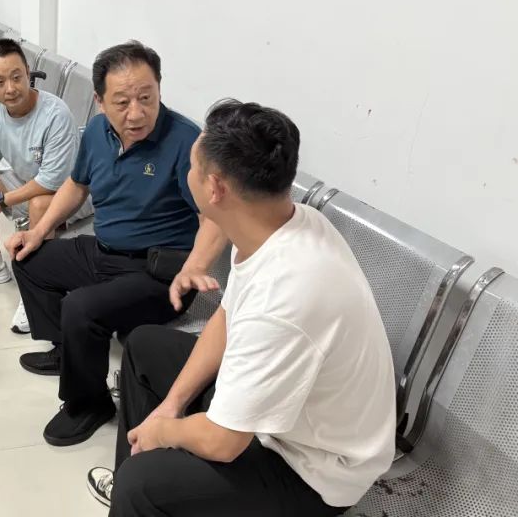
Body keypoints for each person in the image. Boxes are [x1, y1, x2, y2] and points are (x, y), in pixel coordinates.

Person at [85, 100, 395, 516]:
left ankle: (138, 490)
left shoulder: (286, 295)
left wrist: (167, 433)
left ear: (214, 189)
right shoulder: (278, 223)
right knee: (143, 347)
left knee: (141, 485)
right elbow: (227, 317)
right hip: (284, 419)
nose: (187, 174)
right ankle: (140, 475)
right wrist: (170, 408)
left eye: (191, 167)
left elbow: (223, 442)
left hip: (313, 471)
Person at [6, 41, 227, 447]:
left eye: (147, 98)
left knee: (80, 307)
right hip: (104, 252)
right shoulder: (96, 131)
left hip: (158, 273)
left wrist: (195, 266)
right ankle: (66, 351)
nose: (136, 113)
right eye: (122, 102)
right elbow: (76, 185)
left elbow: (214, 216)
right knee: (28, 259)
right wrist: (38, 231)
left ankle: (90, 404)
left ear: (159, 89)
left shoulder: (186, 142)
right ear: (100, 100)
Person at [0, 38, 79, 335]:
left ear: (27, 72)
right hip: (26, 181)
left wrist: (2, 200)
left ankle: (37, 287)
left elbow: (51, 180)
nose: (10, 88)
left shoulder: (55, 114)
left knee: (40, 203)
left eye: (16, 77)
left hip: (74, 191)